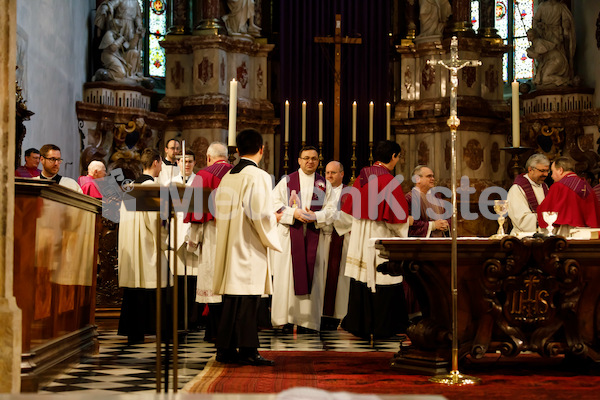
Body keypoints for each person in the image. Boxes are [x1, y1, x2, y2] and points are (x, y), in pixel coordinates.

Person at [212, 128, 282, 366]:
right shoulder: (259, 176)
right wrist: (275, 219)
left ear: (238, 150)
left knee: (232, 299)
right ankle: (248, 351)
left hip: (229, 242)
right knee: (248, 299)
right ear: (262, 149)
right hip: (248, 244)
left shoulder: (229, 176)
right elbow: (259, 214)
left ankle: (225, 349)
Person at [339, 140, 410, 340]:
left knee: (362, 278)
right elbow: (396, 221)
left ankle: (360, 325)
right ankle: (384, 327)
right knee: (382, 278)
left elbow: (350, 211)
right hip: (380, 236)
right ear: (394, 156)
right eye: (398, 156)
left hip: (361, 236)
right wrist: (405, 227)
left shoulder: (361, 177)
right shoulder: (388, 181)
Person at [271, 146, 334, 333]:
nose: (310, 162)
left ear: (318, 161)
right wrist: (294, 213)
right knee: (287, 278)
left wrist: (316, 217)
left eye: (314, 158)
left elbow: (332, 211)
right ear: (299, 160)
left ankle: (308, 322)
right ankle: (286, 319)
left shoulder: (324, 184)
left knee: (313, 277)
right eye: (306, 158)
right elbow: (273, 204)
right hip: (290, 236)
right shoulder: (287, 181)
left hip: (314, 235)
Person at [117, 147, 169, 344]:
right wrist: (166, 242)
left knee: (134, 289)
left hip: (131, 245)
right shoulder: (152, 188)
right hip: (148, 246)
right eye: (161, 163)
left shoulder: (129, 188)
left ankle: (134, 332)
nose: (162, 167)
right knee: (153, 286)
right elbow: (156, 222)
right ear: (156, 162)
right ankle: (156, 330)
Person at [184, 142, 233, 340]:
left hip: (212, 235)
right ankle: (231, 331)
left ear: (208, 157)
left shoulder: (202, 176)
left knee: (213, 284)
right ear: (227, 157)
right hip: (236, 236)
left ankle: (214, 332)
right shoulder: (239, 173)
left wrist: (193, 242)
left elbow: (196, 216)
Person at [318, 161, 352, 331]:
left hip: (340, 239)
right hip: (322, 240)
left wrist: (328, 216)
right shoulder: (320, 191)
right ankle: (320, 314)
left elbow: (352, 218)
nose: (329, 176)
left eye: (333, 173)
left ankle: (338, 315)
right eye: (327, 172)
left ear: (342, 174)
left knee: (339, 280)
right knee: (321, 276)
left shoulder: (350, 193)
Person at [168, 150, 200, 330]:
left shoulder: (200, 182)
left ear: (194, 163)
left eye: (190, 161)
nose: (186, 164)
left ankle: (193, 319)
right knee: (178, 280)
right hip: (175, 236)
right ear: (178, 163)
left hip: (193, 234)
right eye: (183, 161)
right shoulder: (169, 184)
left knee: (193, 281)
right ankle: (177, 319)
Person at [537, 156, 600, 237]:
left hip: (565, 232)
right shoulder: (587, 186)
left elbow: (546, 211)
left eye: (552, 172)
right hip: (586, 233)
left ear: (560, 170)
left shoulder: (558, 186)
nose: (551, 176)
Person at [94, 0, 144, 82]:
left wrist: (139, 27)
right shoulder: (110, 33)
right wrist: (105, 8)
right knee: (116, 46)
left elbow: (138, 17)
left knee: (130, 49)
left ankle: (130, 74)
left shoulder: (136, 2)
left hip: (130, 27)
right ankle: (112, 72)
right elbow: (111, 4)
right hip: (120, 23)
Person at [531, 0, 575, 85]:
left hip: (556, 34)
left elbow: (566, 19)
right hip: (544, 33)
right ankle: (545, 73)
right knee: (545, 52)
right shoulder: (542, 6)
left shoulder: (560, 6)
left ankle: (560, 73)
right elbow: (535, 20)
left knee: (556, 49)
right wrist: (538, 27)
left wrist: (565, 29)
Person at [507, 154, 550, 234]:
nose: (546, 174)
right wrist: (548, 217)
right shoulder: (517, 189)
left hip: (544, 235)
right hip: (523, 237)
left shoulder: (545, 187)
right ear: (530, 169)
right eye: (542, 171)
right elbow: (522, 220)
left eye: (547, 171)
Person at [406, 165, 449, 238]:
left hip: (440, 244)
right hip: (421, 245)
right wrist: (433, 225)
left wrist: (445, 225)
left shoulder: (437, 197)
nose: (433, 179)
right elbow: (409, 224)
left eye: (433, 176)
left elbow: (447, 217)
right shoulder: (409, 198)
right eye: (429, 176)